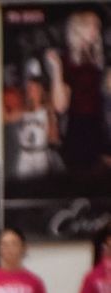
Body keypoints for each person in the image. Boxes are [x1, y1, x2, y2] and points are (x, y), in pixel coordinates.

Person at [46, 10, 109, 178]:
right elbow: (60, 105)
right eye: (91, 25)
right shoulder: (66, 60)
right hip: (77, 129)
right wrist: (57, 70)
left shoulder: (100, 59)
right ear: (78, 28)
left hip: (100, 127)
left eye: (98, 26)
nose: (96, 29)